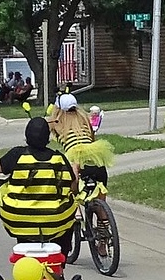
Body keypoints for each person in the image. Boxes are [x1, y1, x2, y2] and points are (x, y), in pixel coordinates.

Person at [0, 117, 77, 260]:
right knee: (70, 215)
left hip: (19, 219)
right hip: (55, 220)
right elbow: (73, 185)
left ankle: (25, 257)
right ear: (47, 138)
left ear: (27, 136)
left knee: (24, 228)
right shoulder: (58, 158)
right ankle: (61, 258)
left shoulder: (17, 154)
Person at [49, 93, 115, 255]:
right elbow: (91, 137)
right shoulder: (85, 119)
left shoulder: (57, 122)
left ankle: (76, 209)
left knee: (68, 187)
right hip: (96, 159)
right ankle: (103, 243)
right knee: (100, 200)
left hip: (76, 160)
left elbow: (48, 130)